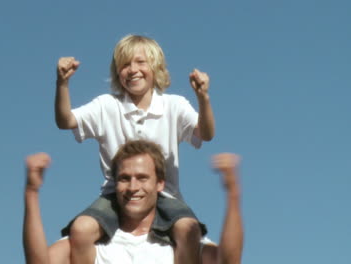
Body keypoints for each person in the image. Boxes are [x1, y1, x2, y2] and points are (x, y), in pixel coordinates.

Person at [55, 34, 216, 264]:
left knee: (188, 230)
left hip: (165, 193)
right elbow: (65, 121)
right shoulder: (107, 105)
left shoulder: (173, 105)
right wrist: (63, 84)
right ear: (117, 72)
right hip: (115, 195)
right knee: (80, 229)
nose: (133, 70)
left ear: (156, 68)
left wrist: (203, 98)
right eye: (125, 65)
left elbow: (206, 133)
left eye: (141, 63)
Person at [23, 140, 243, 264]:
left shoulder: (181, 244)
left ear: (159, 184)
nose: (133, 187)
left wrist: (232, 194)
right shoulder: (93, 243)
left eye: (142, 178)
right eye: (124, 178)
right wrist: (32, 192)